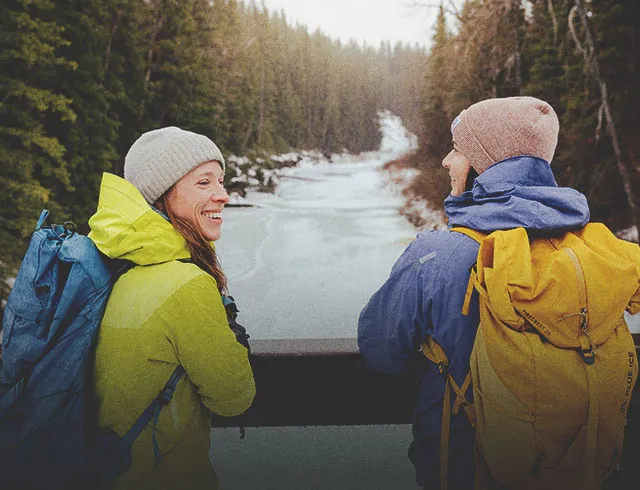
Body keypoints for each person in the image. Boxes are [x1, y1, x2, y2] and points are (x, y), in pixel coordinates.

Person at [357, 97, 594, 489]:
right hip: (573, 471)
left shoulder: (439, 255)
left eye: (457, 150)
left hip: (466, 472)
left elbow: (380, 349)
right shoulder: (582, 254)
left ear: (487, 166)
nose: (446, 162)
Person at [88, 127, 256, 490]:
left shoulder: (121, 263)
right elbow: (234, 397)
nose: (222, 195)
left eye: (221, 181)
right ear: (162, 195)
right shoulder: (187, 286)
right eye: (203, 183)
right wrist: (233, 339)